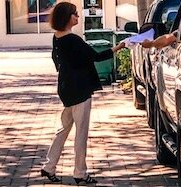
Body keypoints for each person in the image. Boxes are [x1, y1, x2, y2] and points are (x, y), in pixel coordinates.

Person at [41, 2, 125, 185]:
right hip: (79, 90)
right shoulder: (73, 40)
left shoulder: (57, 38)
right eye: (75, 14)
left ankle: (49, 167)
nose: (78, 17)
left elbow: (57, 62)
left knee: (63, 129)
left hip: (66, 89)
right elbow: (96, 56)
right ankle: (80, 172)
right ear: (66, 17)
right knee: (81, 133)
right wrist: (119, 47)